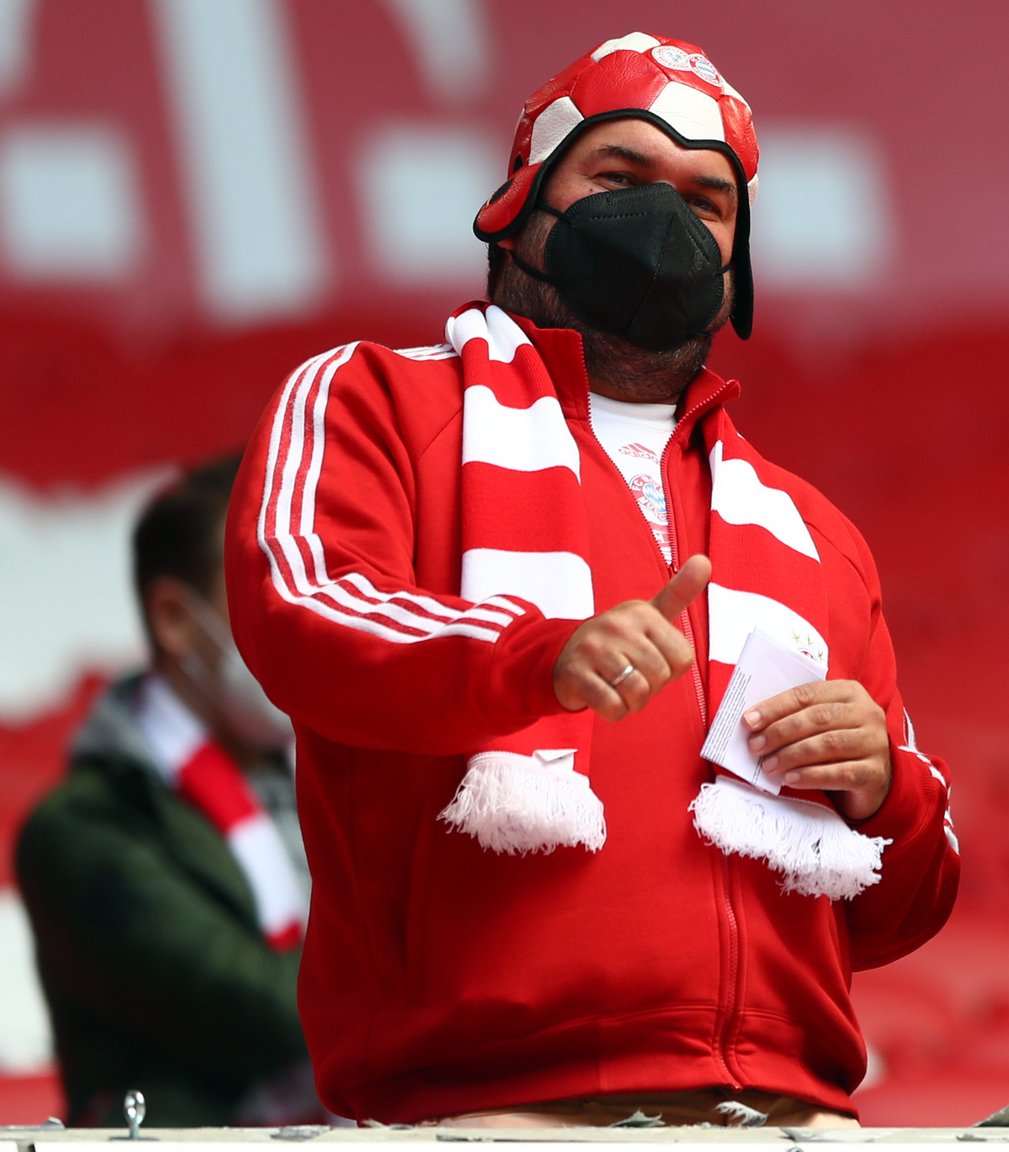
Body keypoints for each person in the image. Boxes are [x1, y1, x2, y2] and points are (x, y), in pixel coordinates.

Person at [222, 33, 958, 1127]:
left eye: (707, 201)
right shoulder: (370, 401)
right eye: (618, 177)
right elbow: (304, 614)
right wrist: (533, 658)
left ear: (737, 260)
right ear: (520, 203)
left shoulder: (814, 530)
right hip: (484, 1113)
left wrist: (878, 790)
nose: (664, 217)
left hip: (788, 1116)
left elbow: (903, 907)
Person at [16, 455, 319, 1127]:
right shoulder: (83, 826)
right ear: (176, 620)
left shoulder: (343, 780)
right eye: (273, 595)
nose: (313, 623)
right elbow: (255, 1011)